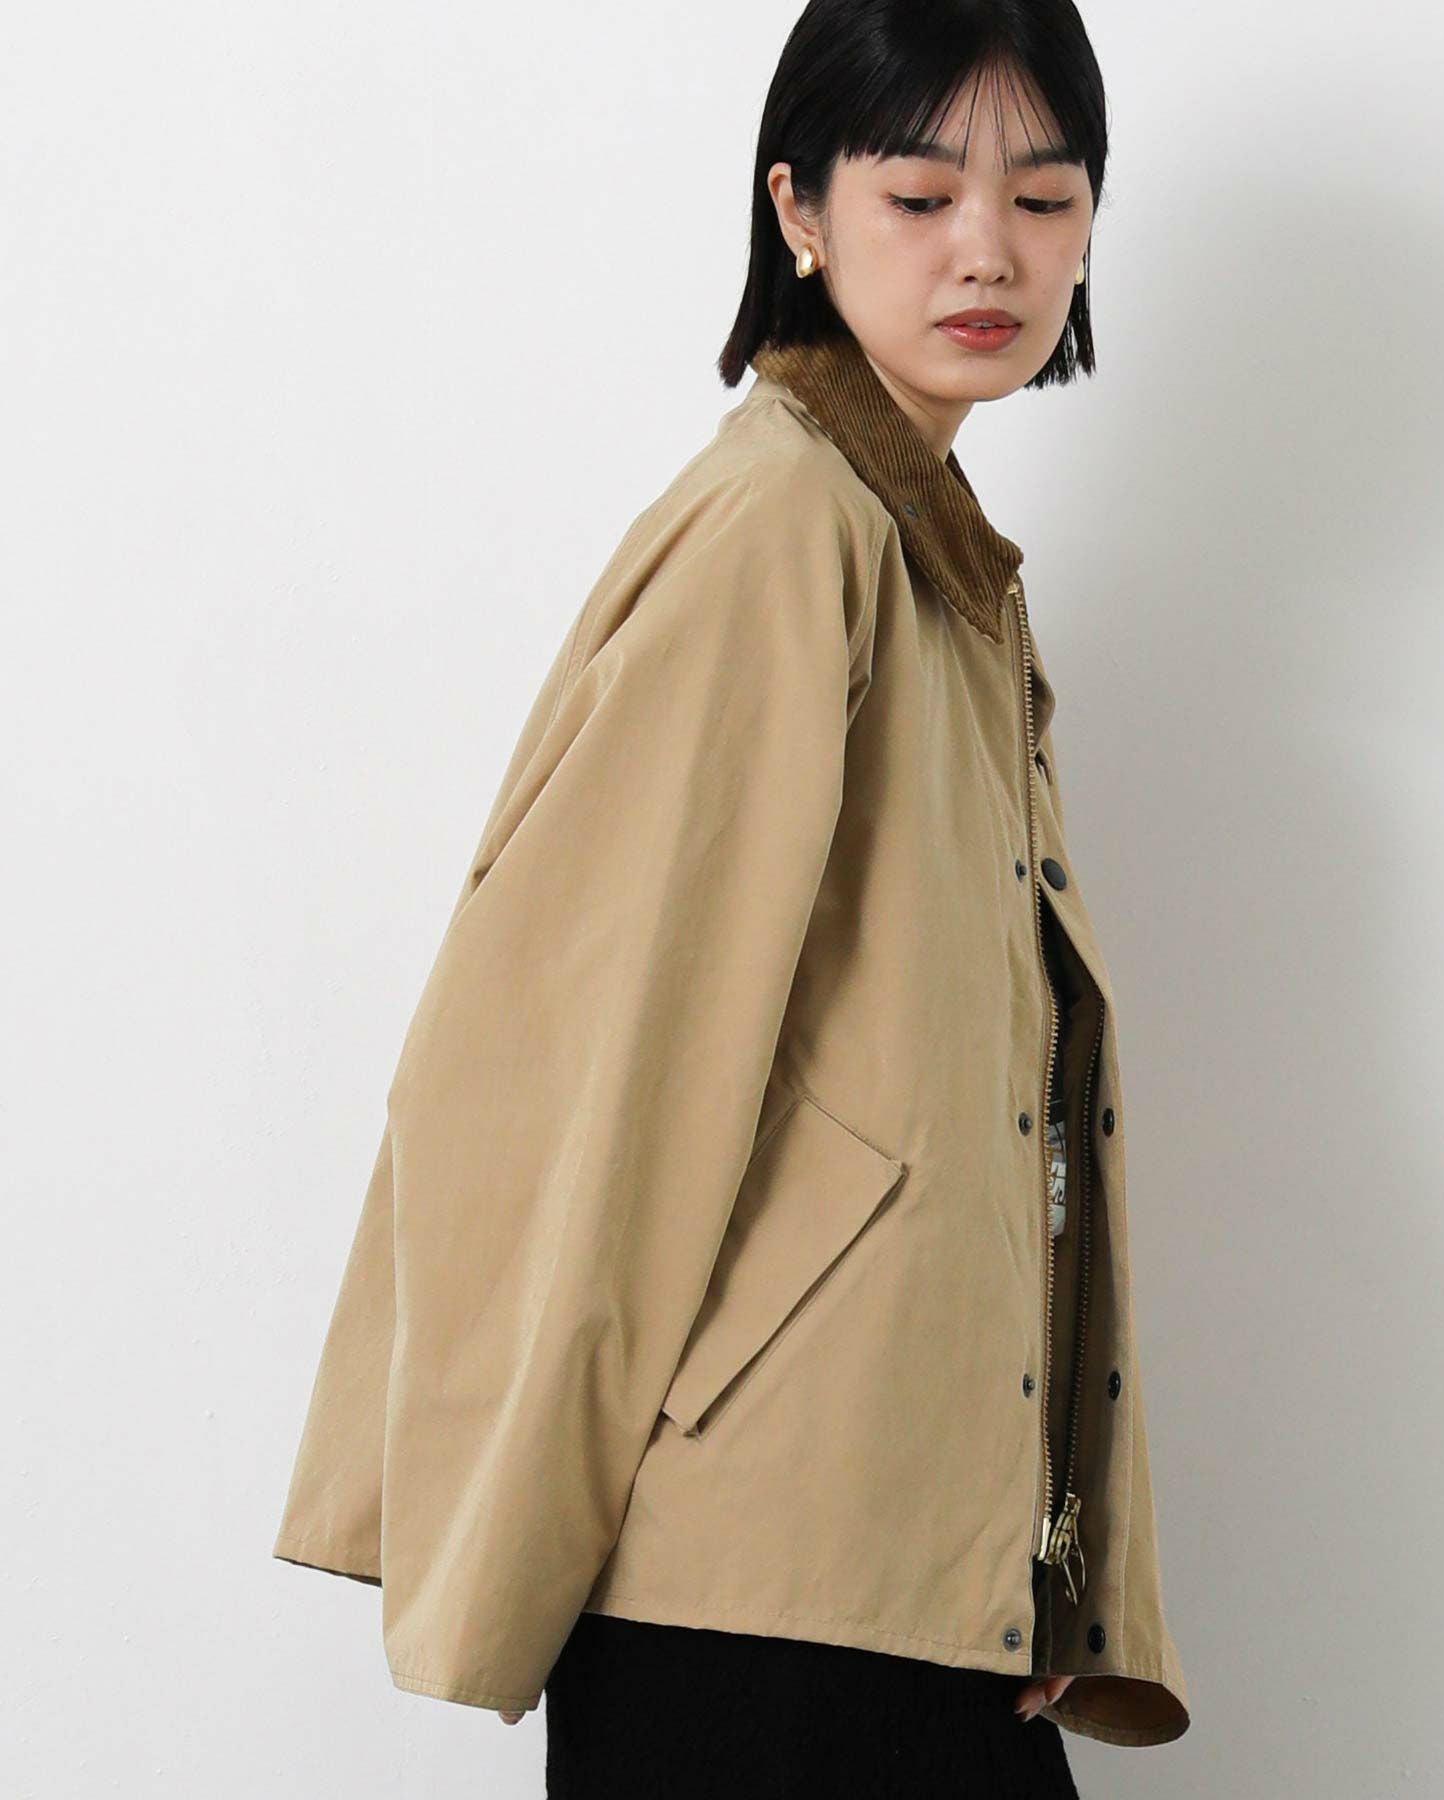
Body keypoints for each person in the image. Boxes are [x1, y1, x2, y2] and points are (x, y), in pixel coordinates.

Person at [271, 2, 1192, 1792]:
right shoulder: (789, 532)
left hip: (899, 1585)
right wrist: (507, 1565)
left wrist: (1032, 1563)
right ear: (799, 210)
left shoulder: (934, 560)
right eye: (918, 195)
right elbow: (603, 1065)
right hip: (765, 1612)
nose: (989, 252)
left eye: (1045, 197)